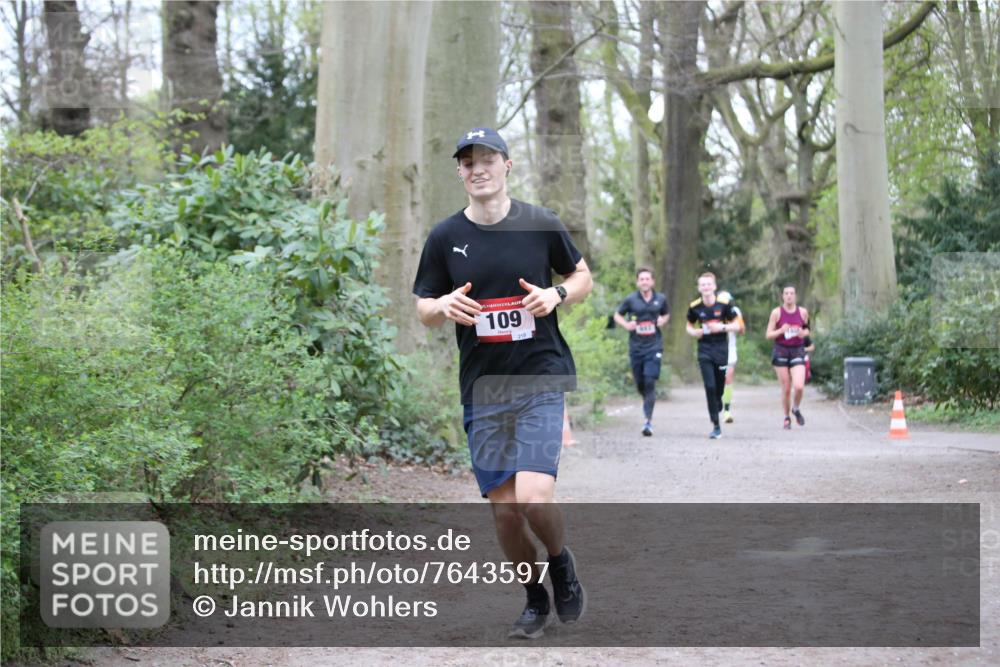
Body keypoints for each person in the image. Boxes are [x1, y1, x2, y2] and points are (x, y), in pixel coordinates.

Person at [413, 127, 593, 639]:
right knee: (507, 516)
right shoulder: (445, 237)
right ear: (460, 172)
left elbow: (583, 277)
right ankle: (534, 598)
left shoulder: (539, 223)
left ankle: (560, 564)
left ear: (507, 165)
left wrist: (557, 296)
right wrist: (441, 306)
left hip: (539, 377)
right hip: (484, 389)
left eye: (487, 158)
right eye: (467, 161)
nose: (478, 168)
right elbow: (423, 305)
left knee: (535, 497)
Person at [613, 268, 669, 436]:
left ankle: (648, 422)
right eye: (641, 279)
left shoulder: (661, 299)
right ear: (638, 282)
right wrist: (626, 325)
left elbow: (666, 315)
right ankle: (647, 400)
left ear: (652, 281)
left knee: (650, 381)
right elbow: (617, 315)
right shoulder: (631, 299)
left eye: (647, 279)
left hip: (654, 346)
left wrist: (662, 321)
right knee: (640, 384)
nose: (644, 282)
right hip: (636, 348)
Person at [685, 273, 739, 439]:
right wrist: (694, 332)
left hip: (721, 349)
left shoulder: (724, 304)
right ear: (699, 288)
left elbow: (737, 325)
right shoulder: (695, 306)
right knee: (709, 386)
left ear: (714, 287)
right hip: (705, 349)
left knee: (720, 386)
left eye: (709, 284)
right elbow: (689, 325)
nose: (706, 287)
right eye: (703, 285)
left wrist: (721, 327)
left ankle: (719, 402)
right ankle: (716, 425)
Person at [765, 285, 811, 429]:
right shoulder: (776, 313)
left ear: (795, 295)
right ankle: (786, 417)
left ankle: (795, 408)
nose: (789, 296)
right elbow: (768, 335)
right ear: (783, 296)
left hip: (797, 350)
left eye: (792, 293)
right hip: (781, 350)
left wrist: (803, 333)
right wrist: (781, 330)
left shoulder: (803, 312)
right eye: (786, 293)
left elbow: (807, 329)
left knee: (799, 386)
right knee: (786, 388)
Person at [716, 291, 745, 424]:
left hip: (730, 349)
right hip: (714, 350)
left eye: (728, 302)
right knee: (717, 381)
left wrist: (727, 326)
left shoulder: (734, 311)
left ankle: (727, 411)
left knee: (728, 379)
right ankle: (717, 402)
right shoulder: (713, 311)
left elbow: (742, 329)